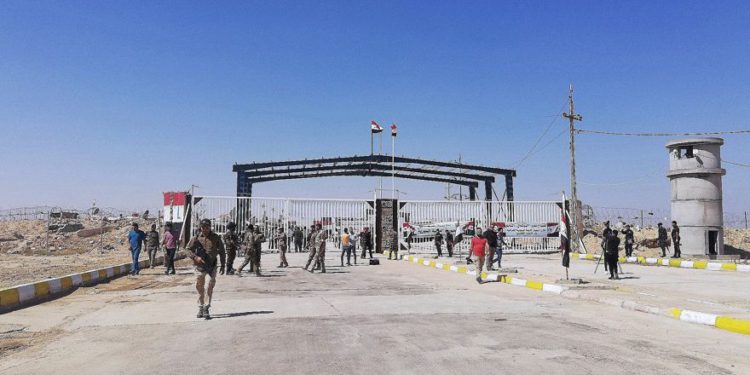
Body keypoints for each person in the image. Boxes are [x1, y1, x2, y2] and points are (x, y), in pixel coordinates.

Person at [186, 218, 226, 319]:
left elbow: (221, 251)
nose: (205, 229)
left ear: (210, 227)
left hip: (211, 267)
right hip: (199, 267)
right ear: (201, 227)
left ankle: (206, 307)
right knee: (199, 287)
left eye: (207, 227)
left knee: (209, 286)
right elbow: (187, 250)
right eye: (203, 227)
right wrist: (195, 257)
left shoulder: (216, 237)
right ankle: (200, 306)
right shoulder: (196, 237)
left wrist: (223, 265)